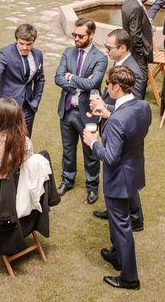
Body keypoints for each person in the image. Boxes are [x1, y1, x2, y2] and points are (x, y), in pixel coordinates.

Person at [82, 66, 151, 291]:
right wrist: (108, 114)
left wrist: (92, 142)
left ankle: (130, 278)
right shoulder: (143, 106)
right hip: (134, 173)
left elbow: (110, 157)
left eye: (108, 85)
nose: (106, 88)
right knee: (117, 221)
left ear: (117, 87)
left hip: (118, 180)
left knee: (122, 226)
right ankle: (117, 256)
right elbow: (131, 129)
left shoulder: (117, 121)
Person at [55, 18, 108, 204]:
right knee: (68, 150)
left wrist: (71, 77)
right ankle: (67, 180)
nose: (76, 38)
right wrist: (77, 83)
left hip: (88, 113)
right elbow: (57, 78)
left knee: (90, 152)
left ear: (91, 35)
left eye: (80, 35)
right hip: (68, 109)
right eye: (74, 35)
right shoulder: (68, 52)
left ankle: (92, 187)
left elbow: (93, 84)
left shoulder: (101, 58)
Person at [0, 24, 45, 137]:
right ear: (16, 39)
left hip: (28, 108)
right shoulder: (4, 53)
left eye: (29, 44)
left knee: (26, 142)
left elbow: (40, 79)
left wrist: (36, 102)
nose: (24, 48)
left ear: (34, 42)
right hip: (8, 108)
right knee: (7, 142)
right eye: (21, 43)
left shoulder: (38, 54)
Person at [121, 0, 153, 88]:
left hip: (130, 48)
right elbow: (135, 33)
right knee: (141, 79)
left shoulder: (128, 2)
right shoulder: (136, 7)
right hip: (137, 52)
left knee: (131, 77)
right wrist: (141, 51)